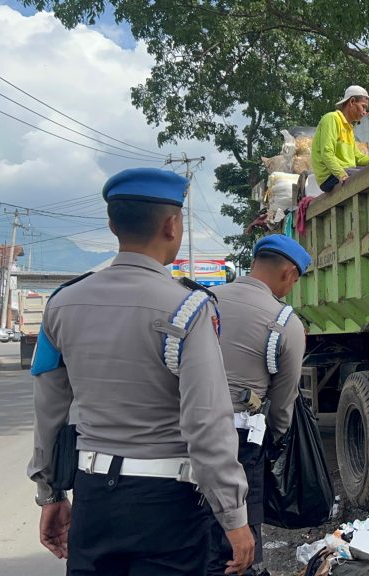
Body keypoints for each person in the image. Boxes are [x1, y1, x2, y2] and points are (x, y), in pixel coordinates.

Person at [27, 168, 255, 575]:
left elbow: (49, 410)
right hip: (167, 505)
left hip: (93, 497)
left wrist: (50, 492)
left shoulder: (60, 304)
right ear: (171, 225)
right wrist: (234, 516)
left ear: (113, 224)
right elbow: (207, 423)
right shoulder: (189, 308)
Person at [207, 234, 311, 575]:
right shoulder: (285, 323)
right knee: (239, 542)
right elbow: (283, 404)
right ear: (289, 273)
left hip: (183, 432)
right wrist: (274, 442)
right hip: (239, 441)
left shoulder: (202, 302)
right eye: (295, 281)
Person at [312, 85, 369, 193]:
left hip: (347, 171)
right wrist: (342, 175)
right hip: (330, 176)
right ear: (352, 102)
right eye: (363, 107)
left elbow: (359, 159)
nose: (364, 112)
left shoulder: (349, 128)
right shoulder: (331, 118)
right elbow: (327, 153)